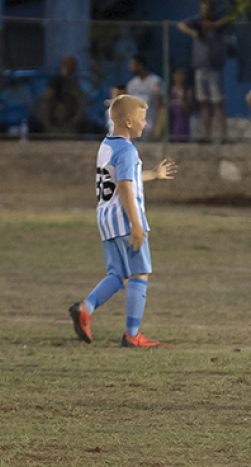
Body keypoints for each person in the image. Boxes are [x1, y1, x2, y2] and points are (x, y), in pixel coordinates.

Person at [68, 95, 178, 348]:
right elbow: (126, 186)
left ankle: (85, 308)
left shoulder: (108, 144)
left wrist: (154, 174)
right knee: (140, 273)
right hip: (125, 220)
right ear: (129, 122)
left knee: (118, 275)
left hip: (106, 219)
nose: (145, 122)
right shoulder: (127, 149)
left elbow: (124, 177)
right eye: (142, 118)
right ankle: (132, 334)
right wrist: (136, 224)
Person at [178, 2, 232, 143]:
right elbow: (181, 25)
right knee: (203, 102)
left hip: (214, 67)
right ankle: (206, 134)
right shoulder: (197, 21)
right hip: (200, 66)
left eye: (207, 9)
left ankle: (224, 135)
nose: (204, 12)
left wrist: (214, 25)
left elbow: (231, 18)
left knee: (217, 102)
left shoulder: (218, 23)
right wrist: (194, 33)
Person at [41, 55, 87, 136]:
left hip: (69, 126)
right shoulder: (56, 82)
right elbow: (46, 104)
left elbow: (78, 104)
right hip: (57, 126)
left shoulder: (73, 83)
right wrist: (49, 126)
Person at [126, 55, 165, 141]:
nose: (131, 68)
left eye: (133, 65)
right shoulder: (131, 85)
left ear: (140, 65)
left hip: (149, 127)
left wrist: (158, 127)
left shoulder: (155, 81)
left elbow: (161, 106)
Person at [168, 67, 192, 142]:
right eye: (179, 74)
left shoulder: (187, 90)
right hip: (173, 122)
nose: (181, 77)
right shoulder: (170, 90)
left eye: (183, 74)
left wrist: (184, 96)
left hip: (183, 121)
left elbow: (188, 108)